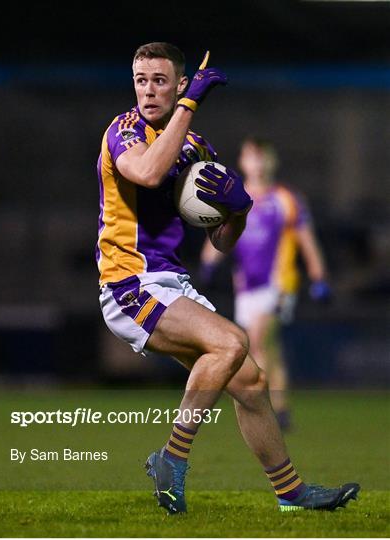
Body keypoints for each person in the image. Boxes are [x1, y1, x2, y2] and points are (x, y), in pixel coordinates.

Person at [96, 42, 359, 515]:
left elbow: (221, 241)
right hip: (128, 283)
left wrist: (238, 209)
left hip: (170, 282)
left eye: (160, 81)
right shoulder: (125, 131)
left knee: (253, 383)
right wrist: (190, 103)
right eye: (141, 80)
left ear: (178, 83)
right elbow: (149, 173)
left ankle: (291, 493)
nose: (148, 90)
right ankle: (171, 457)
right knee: (232, 342)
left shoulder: (197, 148)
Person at [200, 138, 331, 430]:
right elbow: (219, 236)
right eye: (252, 157)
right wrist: (208, 263)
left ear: (272, 161)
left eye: (263, 157)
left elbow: (306, 241)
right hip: (245, 287)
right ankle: (281, 410)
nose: (258, 163)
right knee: (268, 350)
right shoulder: (235, 198)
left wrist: (319, 277)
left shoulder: (286, 198)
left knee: (258, 340)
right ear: (243, 162)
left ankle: (261, 408)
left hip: (279, 283)